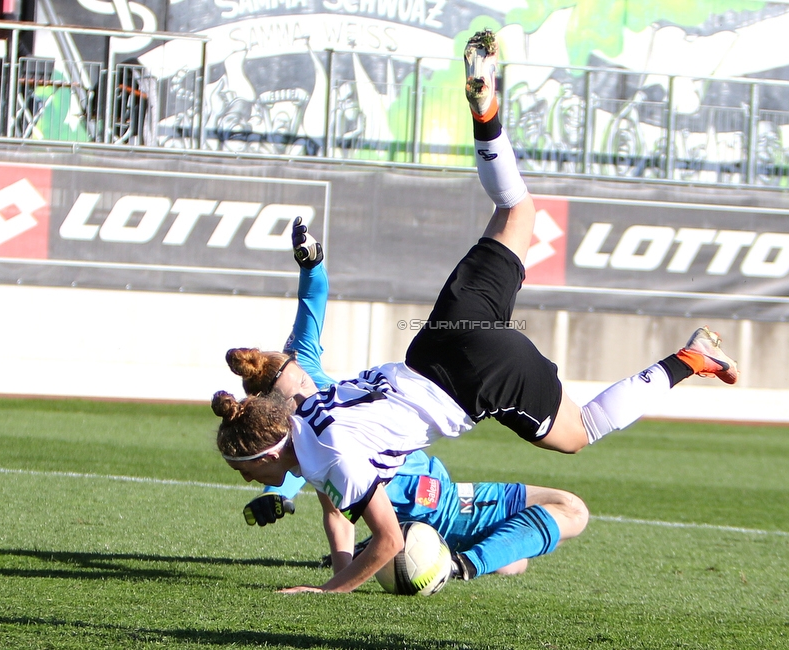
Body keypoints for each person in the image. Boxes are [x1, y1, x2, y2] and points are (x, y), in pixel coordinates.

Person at [212, 28, 739, 594]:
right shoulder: (302, 408)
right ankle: (486, 111)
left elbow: (387, 542)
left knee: (580, 430)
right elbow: (289, 370)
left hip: (473, 380)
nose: (250, 479)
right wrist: (259, 358)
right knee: (516, 207)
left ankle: (691, 359)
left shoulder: (327, 460)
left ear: (269, 453)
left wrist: (328, 591)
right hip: (439, 339)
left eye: (248, 471)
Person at [236, 218, 589, 582]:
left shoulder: (307, 401)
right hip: (428, 503)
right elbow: (300, 468)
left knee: (515, 560)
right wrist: (278, 493)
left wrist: (311, 263)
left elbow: (311, 303)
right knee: (566, 513)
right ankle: (446, 561)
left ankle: (435, 556)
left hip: (439, 490)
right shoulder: (314, 421)